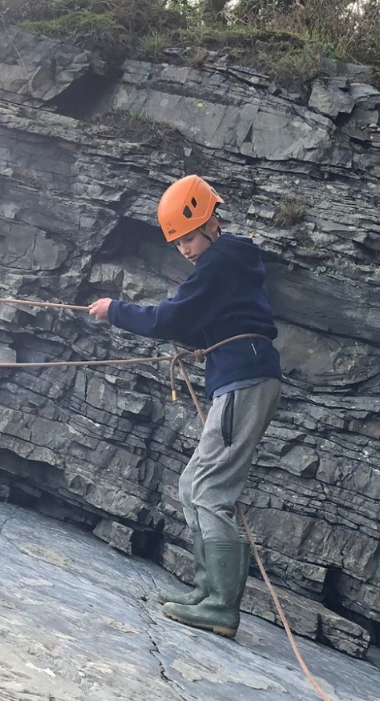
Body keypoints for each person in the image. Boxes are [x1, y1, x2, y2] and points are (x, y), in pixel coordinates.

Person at [88, 175, 282, 638]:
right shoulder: (228, 261)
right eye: (177, 243)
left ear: (211, 222)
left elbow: (172, 317)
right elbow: (208, 319)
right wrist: (198, 342)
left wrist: (114, 310)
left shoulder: (221, 259)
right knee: (192, 483)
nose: (185, 250)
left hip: (244, 379)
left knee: (211, 490)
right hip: (241, 374)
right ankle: (205, 590)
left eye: (189, 238)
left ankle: (221, 606)